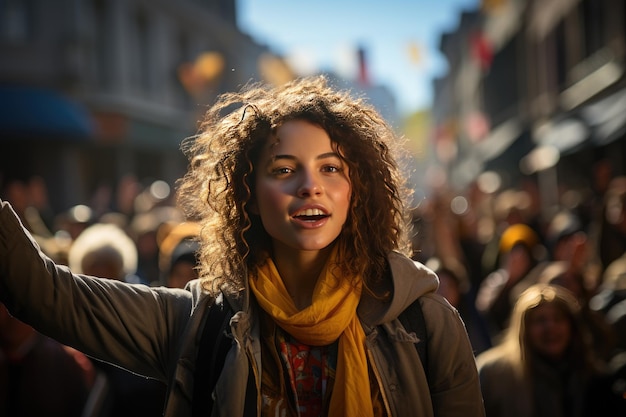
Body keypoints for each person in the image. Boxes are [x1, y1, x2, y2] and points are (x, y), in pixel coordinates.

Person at [0, 76, 484, 416]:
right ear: (248, 196)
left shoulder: (426, 323)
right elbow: (41, 291)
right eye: (284, 169)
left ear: (355, 191)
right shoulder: (197, 324)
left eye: (331, 168)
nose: (310, 186)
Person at [476, 283, 609, 417]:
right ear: (524, 330)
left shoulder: (590, 376)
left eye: (558, 319)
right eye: (540, 320)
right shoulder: (494, 374)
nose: (550, 328)